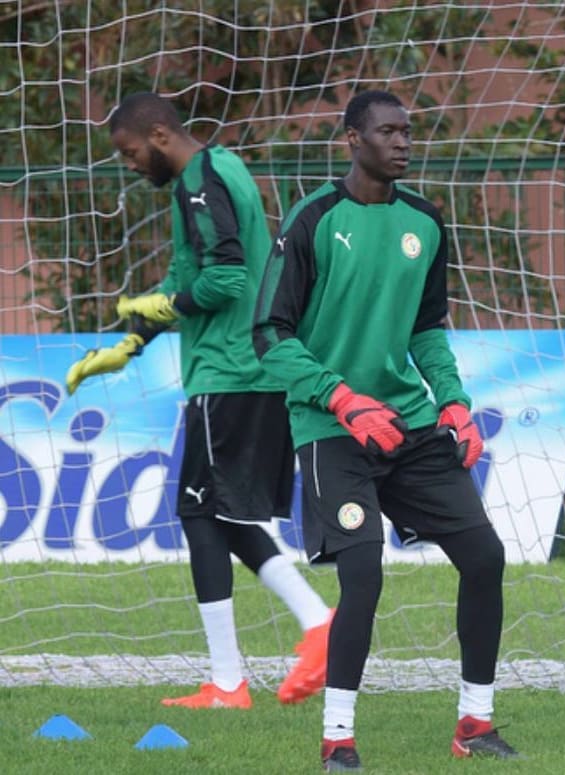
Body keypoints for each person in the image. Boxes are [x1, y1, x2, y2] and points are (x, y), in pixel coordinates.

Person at [252, 89, 519, 770]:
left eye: (407, 131)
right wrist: (341, 399)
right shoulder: (312, 221)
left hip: (408, 425)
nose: (402, 142)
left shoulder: (425, 223)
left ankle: (475, 722)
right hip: (330, 427)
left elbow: (427, 331)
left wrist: (454, 403)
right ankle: (338, 737)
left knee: (485, 557)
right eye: (387, 132)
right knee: (363, 573)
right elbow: (269, 335)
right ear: (351, 139)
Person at [65, 91, 333, 709]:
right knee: (213, 515)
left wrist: (168, 307)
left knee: (204, 514)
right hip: (243, 373)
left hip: (231, 374)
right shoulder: (219, 170)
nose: (128, 165)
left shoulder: (199, 182)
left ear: (160, 135)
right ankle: (238, 674)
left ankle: (300, 635)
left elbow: (227, 278)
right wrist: (132, 342)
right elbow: (190, 277)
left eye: (130, 153)